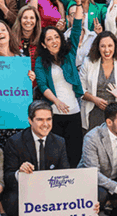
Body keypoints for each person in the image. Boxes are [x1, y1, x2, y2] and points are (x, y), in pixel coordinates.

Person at [2, 101, 71, 216]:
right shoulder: (15, 142)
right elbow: (7, 177)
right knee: (11, 199)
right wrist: (19, 172)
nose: (45, 124)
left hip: (49, 191)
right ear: (30, 120)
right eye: (40, 119)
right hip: (24, 191)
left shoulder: (60, 142)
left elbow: (66, 174)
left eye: (49, 119)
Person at [33, 24, 86, 166]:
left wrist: (78, 4)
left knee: (74, 154)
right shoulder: (40, 61)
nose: (54, 41)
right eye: (49, 39)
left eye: (56, 37)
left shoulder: (69, 55)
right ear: (44, 44)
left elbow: (76, 31)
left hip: (74, 111)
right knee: (55, 156)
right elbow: (42, 85)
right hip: (54, 114)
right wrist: (57, 101)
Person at [79, 32, 117, 130]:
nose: (107, 50)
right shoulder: (88, 63)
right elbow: (79, 89)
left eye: (110, 45)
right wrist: (94, 99)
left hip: (115, 116)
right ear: (98, 47)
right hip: (93, 113)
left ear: (115, 46)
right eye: (103, 46)